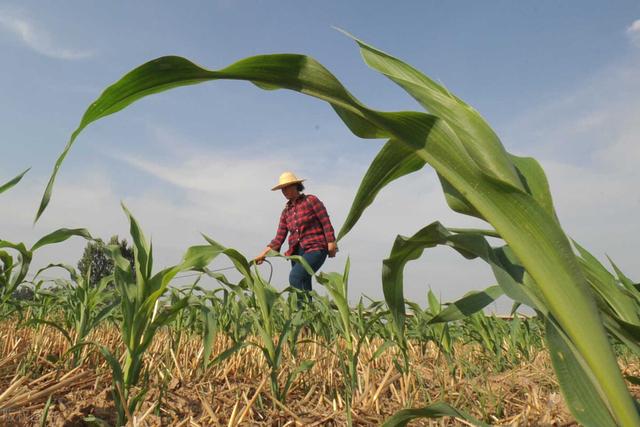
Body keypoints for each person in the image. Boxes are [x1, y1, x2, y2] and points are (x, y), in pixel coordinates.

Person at [255, 171, 338, 293]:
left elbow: (325, 220)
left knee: (295, 277)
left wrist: (331, 242)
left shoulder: (311, 200)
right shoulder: (286, 212)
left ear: (296, 186)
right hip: (297, 253)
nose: (284, 191)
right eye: (282, 189)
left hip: (315, 248)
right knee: (303, 283)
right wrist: (263, 253)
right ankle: (307, 311)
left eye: (286, 187)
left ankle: (301, 309)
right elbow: (278, 239)